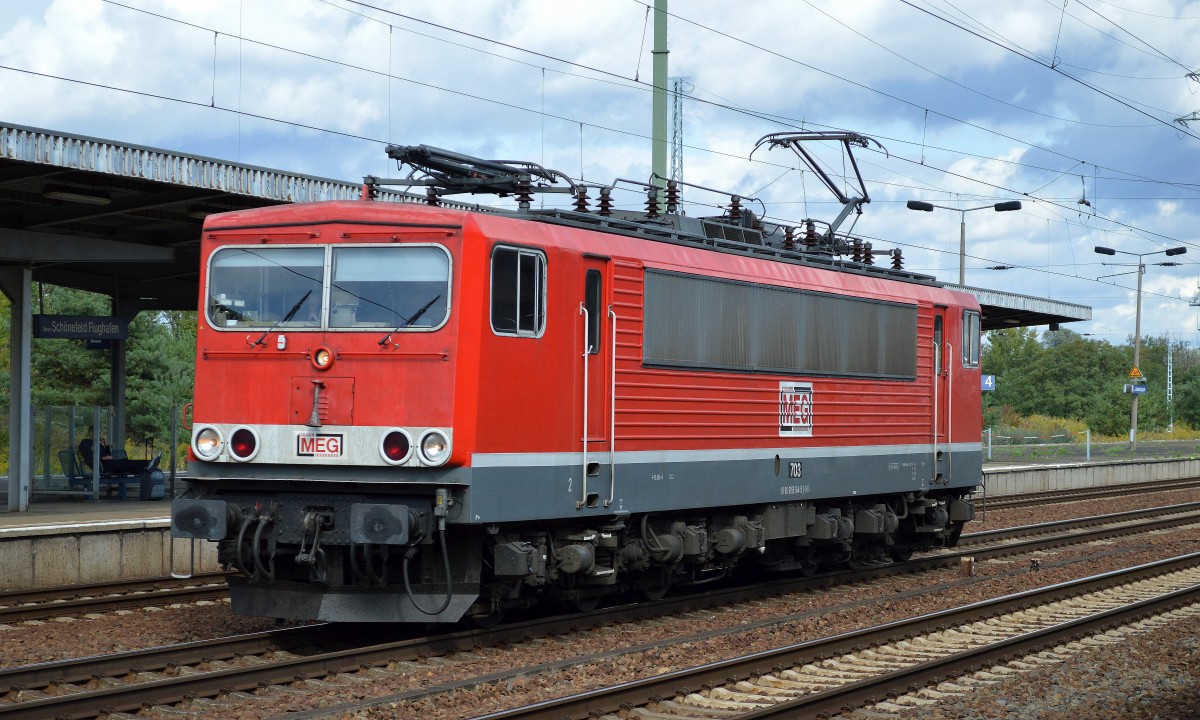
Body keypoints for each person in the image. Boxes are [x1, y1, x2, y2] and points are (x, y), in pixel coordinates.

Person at [78, 430, 152, 475]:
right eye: (96, 432)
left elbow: (109, 455)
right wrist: (103, 457)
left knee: (128, 468)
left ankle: (146, 469)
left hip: (108, 464)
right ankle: (147, 462)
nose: (99, 434)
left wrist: (106, 445)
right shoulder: (85, 443)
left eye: (99, 432)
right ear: (90, 433)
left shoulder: (98, 443)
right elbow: (90, 457)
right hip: (102, 466)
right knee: (124, 462)